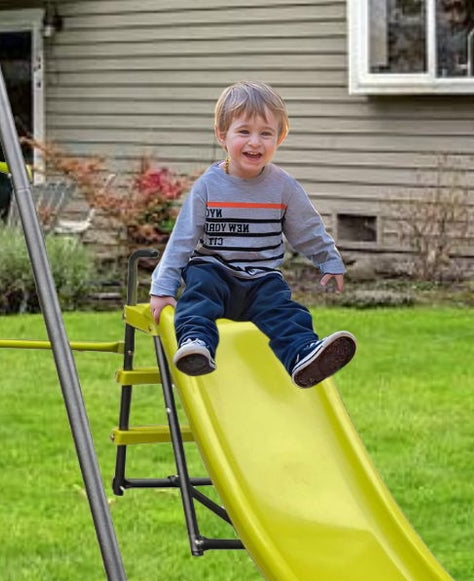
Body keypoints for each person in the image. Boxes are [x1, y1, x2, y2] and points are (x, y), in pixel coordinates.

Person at [148, 80, 355, 387]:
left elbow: (307, 228)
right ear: (223, 135)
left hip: (261, 279)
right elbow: (183, 239)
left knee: (285, 311)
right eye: (244, 132)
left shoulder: (283, 187)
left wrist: (329, 258)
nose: (255, 142)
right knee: (199, 295)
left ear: (280, 137)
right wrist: (162, 287)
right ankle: (196, 344)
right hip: (214, 270)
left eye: (265, 133)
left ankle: (302, 356)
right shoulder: (208, 186)